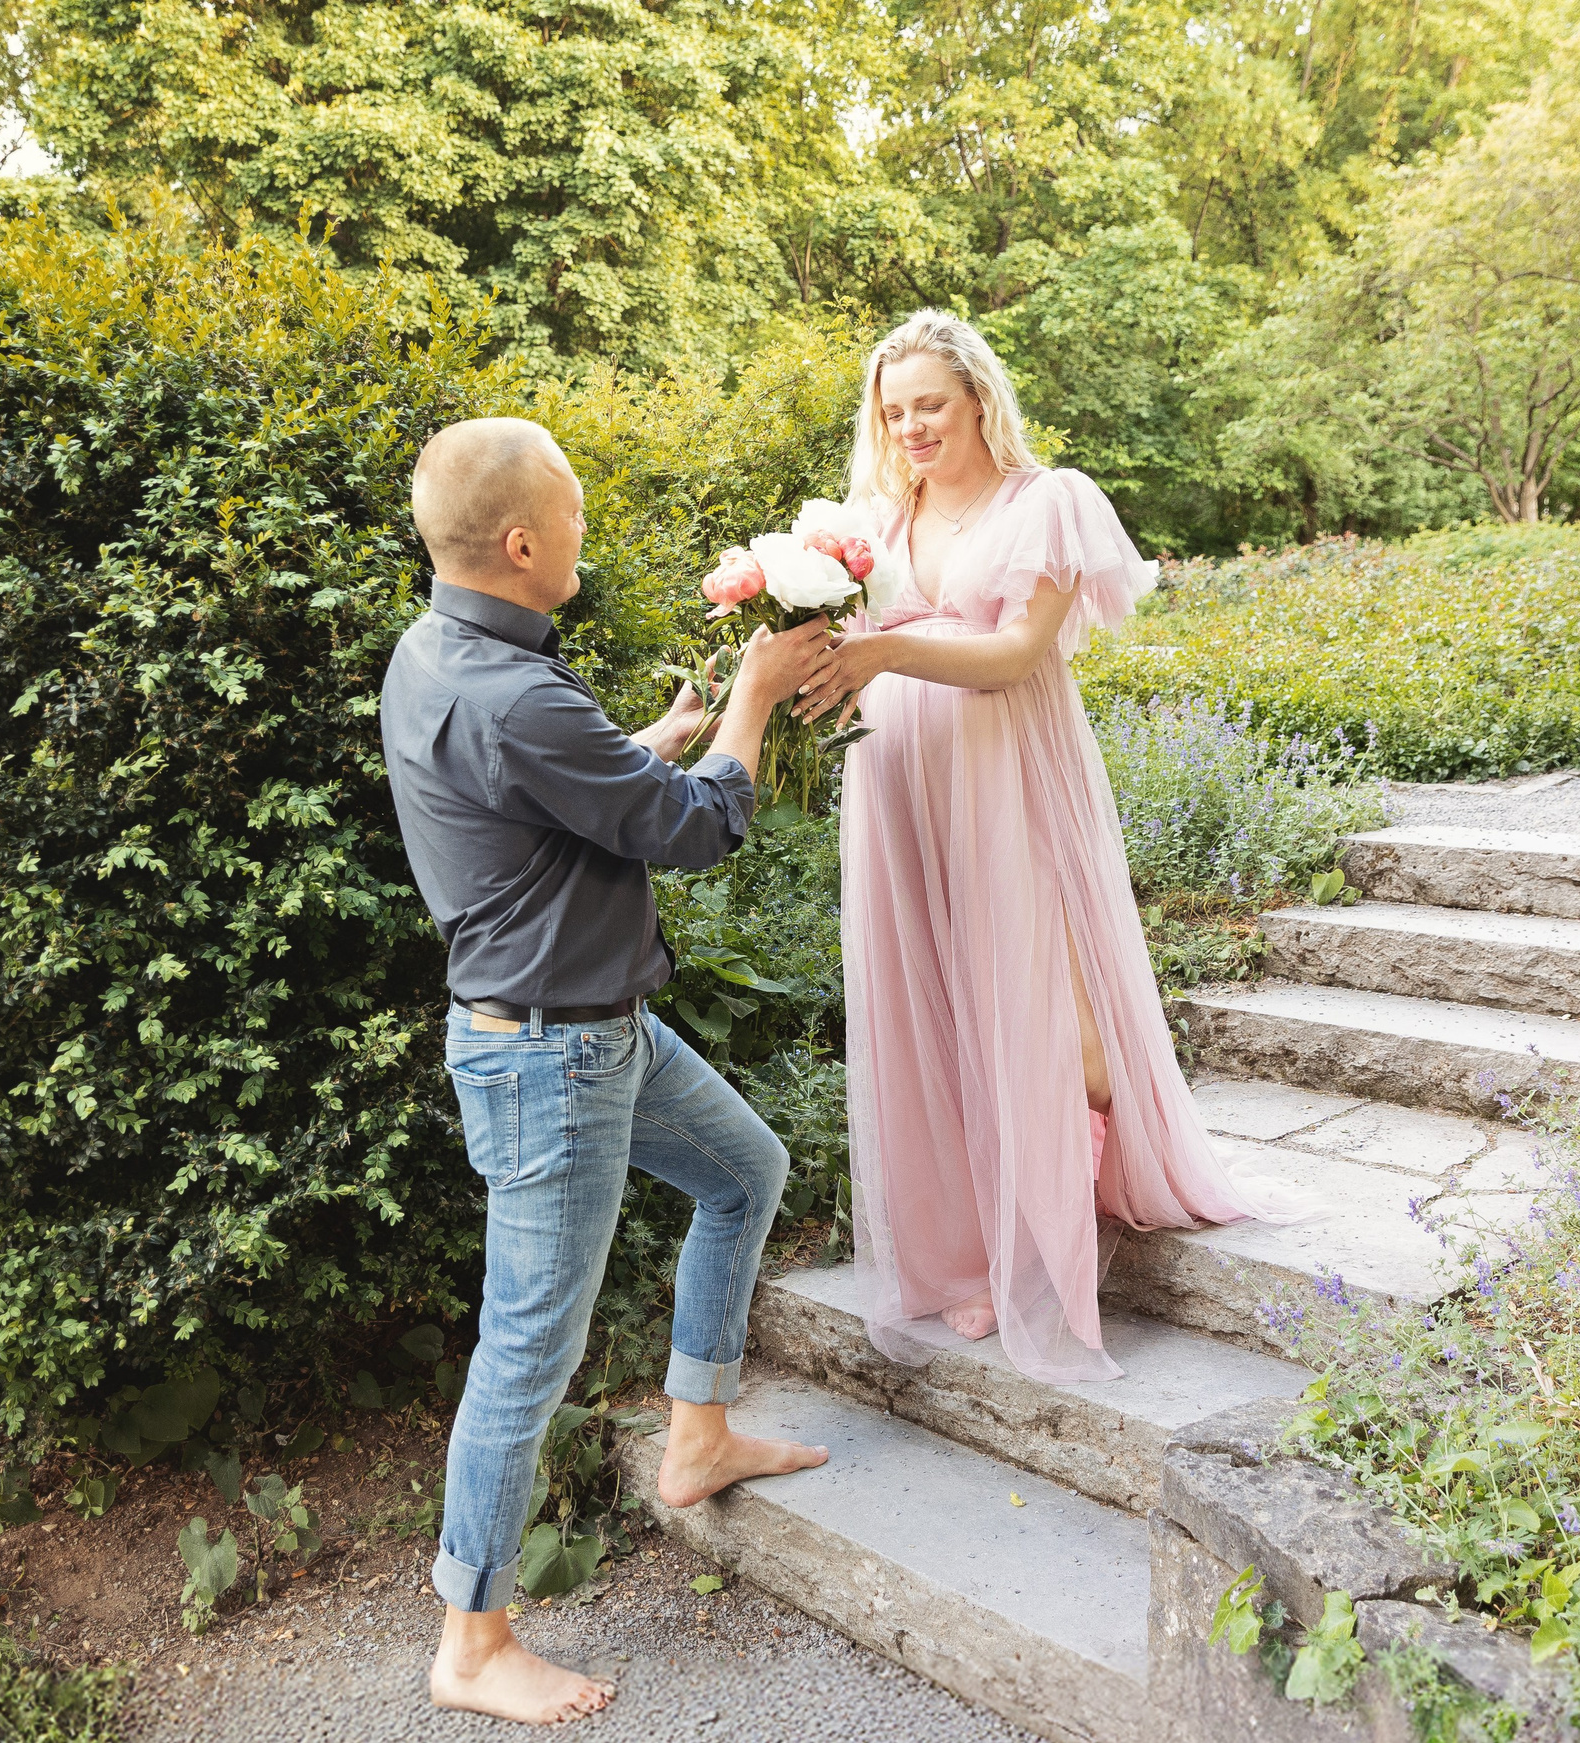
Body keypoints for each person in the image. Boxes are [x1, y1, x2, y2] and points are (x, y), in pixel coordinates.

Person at [383, 417, 833, 1725]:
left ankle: (696, 1434)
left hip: (597, 1031)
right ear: (522, 543)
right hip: (550, 1056)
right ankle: (471, 1639)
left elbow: (527, 799)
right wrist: (749, 702)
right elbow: (696, 828)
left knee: (748, 1169)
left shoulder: (438, 656)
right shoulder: (516, 693)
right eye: (574, 511)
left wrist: (639, 741)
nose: (584, 527)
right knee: (526, 1348)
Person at [790, 312, 1253, 1385]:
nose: (909, 427)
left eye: (929, 406)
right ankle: (972, 1252)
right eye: (892, 410)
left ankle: (1063, 1192)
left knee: (1043, 1000)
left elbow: (1009, 655)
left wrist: (880, 650)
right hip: (898, 781)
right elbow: (839, 650)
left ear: (978, 400)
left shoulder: (1048, 500)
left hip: (1004, 771)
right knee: (935, 1009)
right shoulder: (869, 520)